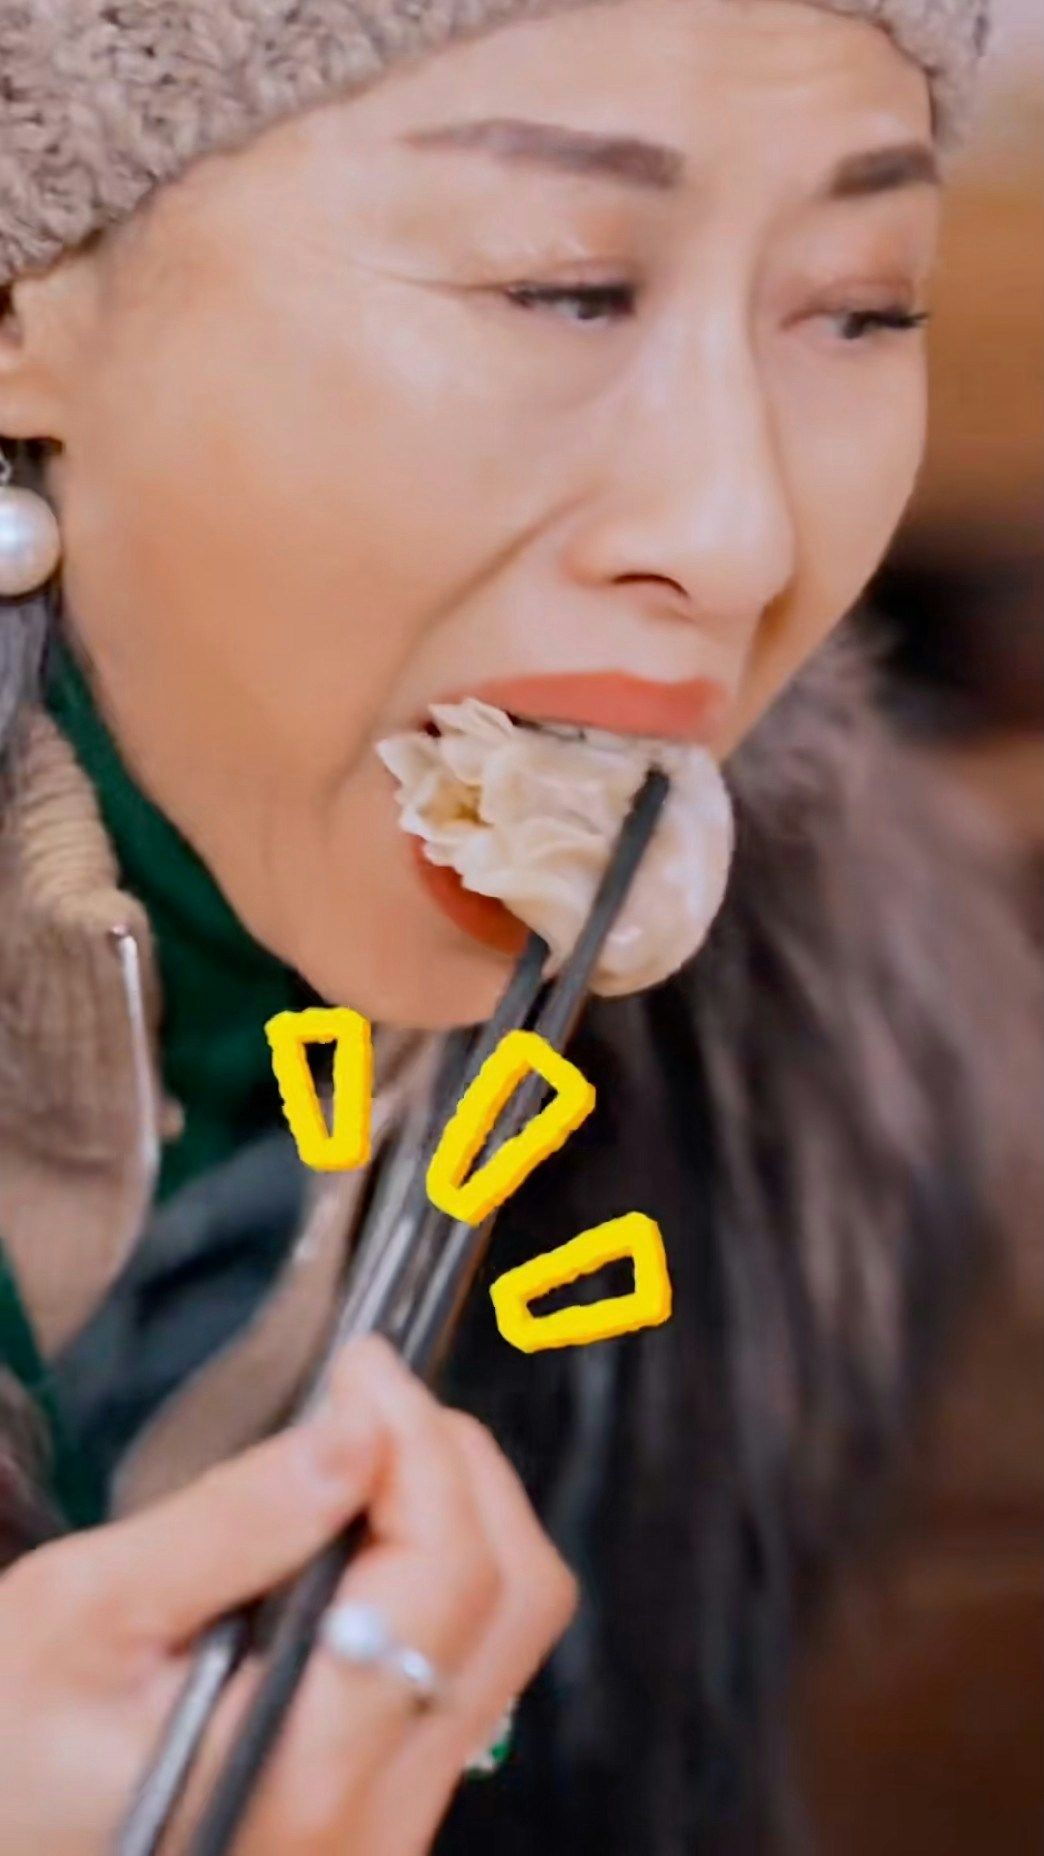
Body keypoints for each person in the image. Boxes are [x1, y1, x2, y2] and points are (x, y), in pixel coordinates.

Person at [0, 0, 1038, 1849]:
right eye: (563, 287)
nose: (737, 536)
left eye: (861, 306)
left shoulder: (853, 1134)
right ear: (23, 308)